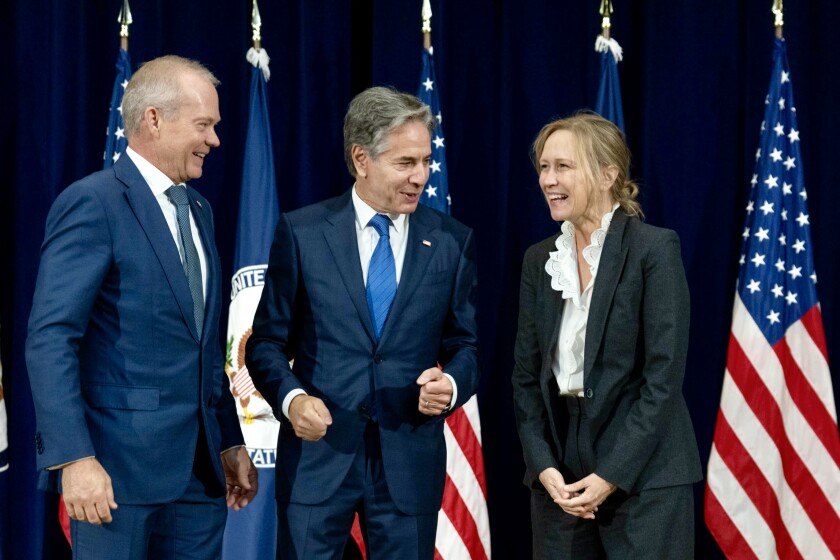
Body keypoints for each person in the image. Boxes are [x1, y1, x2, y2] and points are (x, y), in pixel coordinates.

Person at [26, 55, 257, 559]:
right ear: (154, 118)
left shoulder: (199, 209)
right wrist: (74, 458)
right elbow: (51, 338)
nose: (215, 140)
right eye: (204, 125)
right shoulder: (94, 203)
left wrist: (229, 440)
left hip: (199, 480)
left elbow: (203, 342)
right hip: (116, 478)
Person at [245, 86, 479, 559]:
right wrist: (292, 401)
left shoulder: (451, 241)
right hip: (319, 457)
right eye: (405, 163)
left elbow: (466, 347)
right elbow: (265, 342)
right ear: (361, 159)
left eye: (426, 162)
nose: (420, 176)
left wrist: (451, 385)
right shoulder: (303, 233)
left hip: (408, 461)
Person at [512, 113, 702, 559]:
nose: (549, 179)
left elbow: (663, 379)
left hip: (646, 480)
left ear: (607, 175)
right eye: (543, 167)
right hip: (561, 485)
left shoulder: (653, 249)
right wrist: (543, 467)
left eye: (564, 166)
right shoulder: (540, 261)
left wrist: (611, 474)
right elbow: (525, 379)